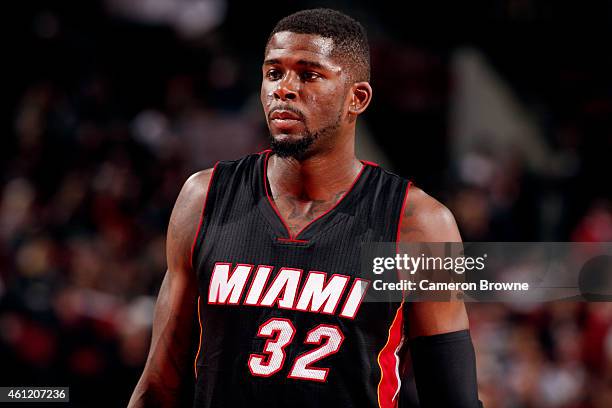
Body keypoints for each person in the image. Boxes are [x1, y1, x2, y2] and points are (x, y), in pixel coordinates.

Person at [128, 8, 481, 408]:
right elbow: (159, 384)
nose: (284, 88)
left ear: (357, 98)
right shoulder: (202, 198)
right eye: (274, 73)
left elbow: (453, 398)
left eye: (309, 74)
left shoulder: (421, 224)